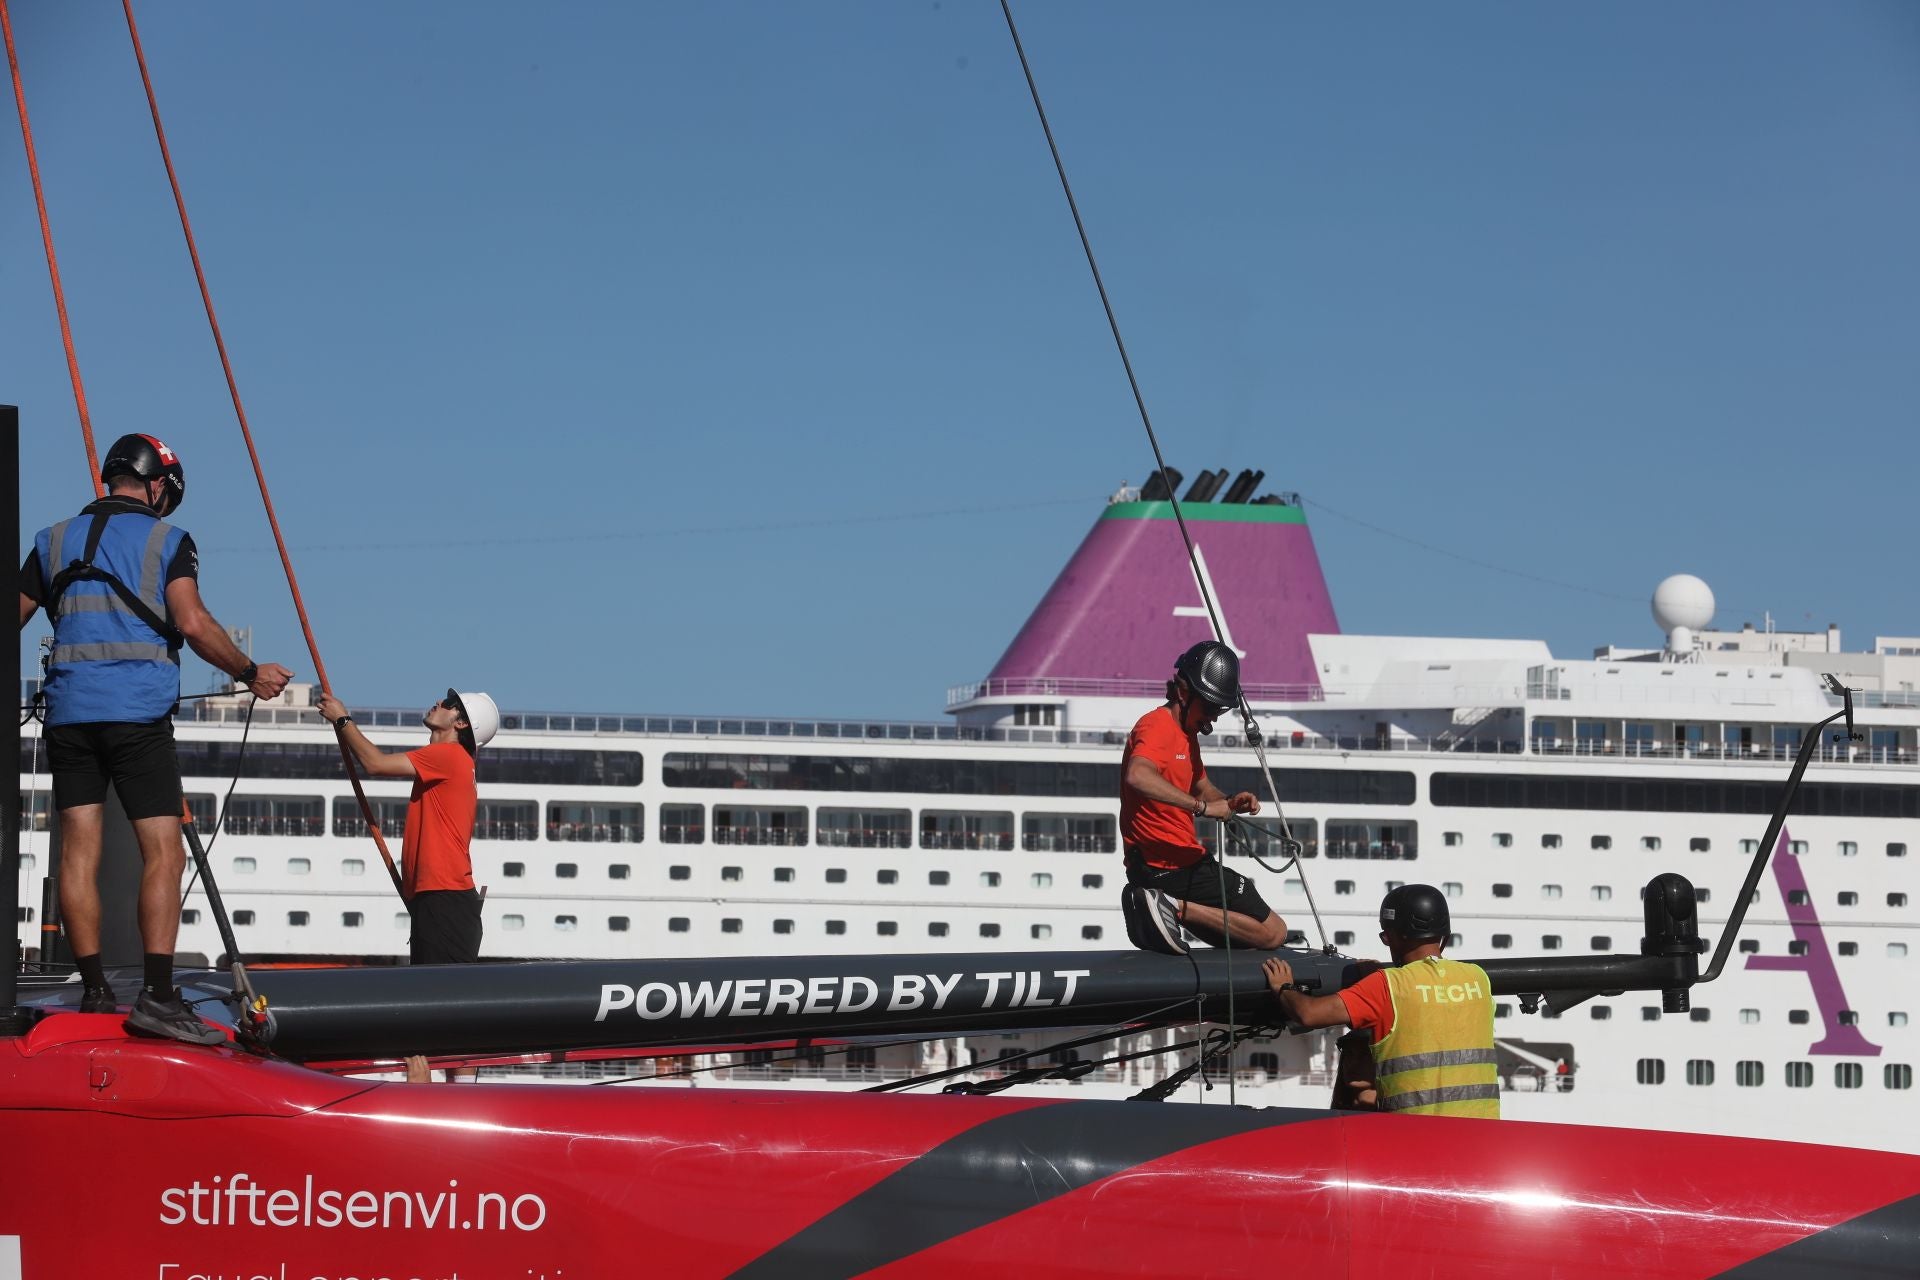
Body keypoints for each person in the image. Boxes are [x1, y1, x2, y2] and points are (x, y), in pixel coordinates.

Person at [18, 433, 294, 1043]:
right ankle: (160, 997)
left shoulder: (51, 539)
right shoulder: (167, 541)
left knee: (79, 852)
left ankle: (93, 991)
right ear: (158, 485)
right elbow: (191, 622)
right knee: (163, 852)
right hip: (137, 715)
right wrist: (249, 671)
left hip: (68, 714)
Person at [314, 686, 498, 1081]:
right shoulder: (449, 761)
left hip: (445, 898)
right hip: (439, 899)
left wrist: (341, 719)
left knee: (445, 1010)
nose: (439, 703)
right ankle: (438, 1089)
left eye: (450, 704)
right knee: (438, 1005)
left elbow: (375, 763)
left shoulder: (449, 756)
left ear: (461, 723)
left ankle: (438, 1092)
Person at [1264, 883, 1499, 1118]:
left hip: (1416, 1132)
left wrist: (1283, 986)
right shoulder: (1478, 978)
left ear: (1396, 936)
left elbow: (1308, 1013)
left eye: (1386, 936)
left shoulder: (1387, 984)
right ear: (1443, 934)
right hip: (1483, 1130)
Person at [1118, 640, 1288, 955]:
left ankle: (1165, 906)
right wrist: (1203, 808)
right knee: (1273, 932)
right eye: (1210, 708)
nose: (1214, 718)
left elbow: (1200, 786)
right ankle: (1171, 906)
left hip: (1169, 866)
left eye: (1220, 710)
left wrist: (1230, 801)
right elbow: (1138, 775)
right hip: (1170, 867)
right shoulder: (1156, 726)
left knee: (1245, 937)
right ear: (1183, 693)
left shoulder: (1186, 735)